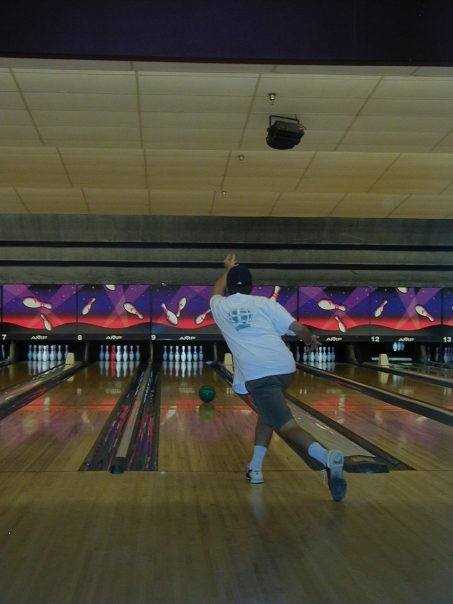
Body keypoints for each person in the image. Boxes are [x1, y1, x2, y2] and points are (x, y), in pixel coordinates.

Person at [210, 254, 347, 502]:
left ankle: (327, 458)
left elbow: (216, 290)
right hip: (284, 367)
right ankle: (255, 467)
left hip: (259, 375)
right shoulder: (265, 303)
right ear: (252, 286)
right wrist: (309, 343)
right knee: (268, 414)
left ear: (228, 286)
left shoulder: (220, 306)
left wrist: (228, 268)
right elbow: (300, 329)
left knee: (286, 427)